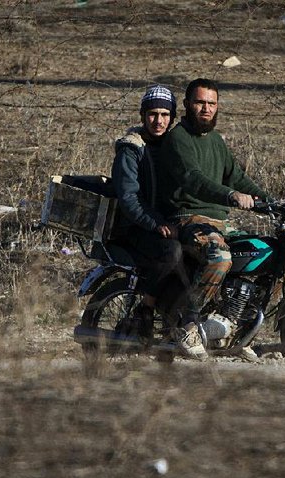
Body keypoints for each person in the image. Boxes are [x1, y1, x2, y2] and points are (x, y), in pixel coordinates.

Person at [158, 78, 272, 359]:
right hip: (189, 218)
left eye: (211, 103)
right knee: (219, 257)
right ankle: (188, 324)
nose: (206, 109)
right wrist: (231, 196)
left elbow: (238, 178)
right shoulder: (177, 139)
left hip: (220, 222)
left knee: (271, 254)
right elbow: (194, 180)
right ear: (187, 105)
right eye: (200, 103)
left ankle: (234, 327)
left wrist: (270, 201)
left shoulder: (217, 142)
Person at [110, 85, 186, 345]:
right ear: (143, 115)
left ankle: (175, 320)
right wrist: (156, 224)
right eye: (153, 114)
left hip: (165, 223)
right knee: (172, 252)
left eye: (165, 114)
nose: (159, 121)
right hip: (134, 227)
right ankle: (146, 308)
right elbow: (128, 197)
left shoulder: (174, 146)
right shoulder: (131, 149)